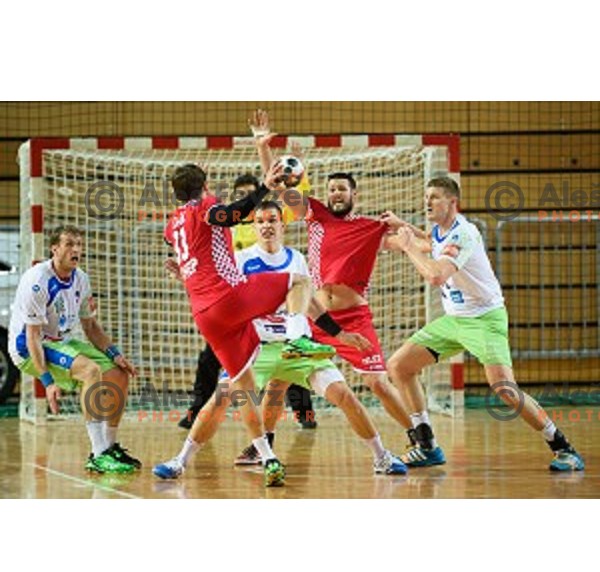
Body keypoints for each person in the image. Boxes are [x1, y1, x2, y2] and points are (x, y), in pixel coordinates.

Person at [153, 200, 407, 478]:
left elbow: (310, 303)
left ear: (282, 224)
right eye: (260, 221)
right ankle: (180, 461)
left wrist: (341, 334)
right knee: (220, 400)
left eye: (272, 220)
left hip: (297, 349)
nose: (266, 226)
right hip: (257, 348)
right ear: (253, 226)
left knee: (344, 395)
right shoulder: (238, 259)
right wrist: (187, 280)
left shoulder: (297, 258)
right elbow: (214, 293)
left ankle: (381, 456)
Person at [383, 176, 584, 471]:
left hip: (484, 320)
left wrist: (408, 247)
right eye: (426, 196)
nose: (427, 201)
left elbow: (436, 274)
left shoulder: (464, 233)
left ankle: (563, 447)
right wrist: (405, 229)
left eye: (435, 197)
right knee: (399, 366)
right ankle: (427, 446)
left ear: (453, 202)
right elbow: (431, 242)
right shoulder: (441, 231)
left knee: (505, 389)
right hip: (454, 320)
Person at [157, 162, 334, 487]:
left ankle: (193, 461)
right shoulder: (203, 206)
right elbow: (233, 215)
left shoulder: (173, 222)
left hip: (204, 314)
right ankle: (297, 337)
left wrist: (184, 268)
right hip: (229, 298)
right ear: (205, 186)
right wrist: (264, 187)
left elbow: (184, 249)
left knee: (239, 391)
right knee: (298, 280)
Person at [250, 110, 416, 446]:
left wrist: (413, 232)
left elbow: (411, 244)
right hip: (315, 317)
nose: (336, 193)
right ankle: (262, 446)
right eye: (331, 189)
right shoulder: (315, 214)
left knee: (378, 383)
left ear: (354, 194)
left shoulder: (370, 227)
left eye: (342, 189)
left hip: (352, 317)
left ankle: (420, 437)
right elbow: (277, 184)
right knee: (279, 380)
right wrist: (262, 145)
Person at [177, 173, 316, 430]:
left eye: (271, 221)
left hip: (264, 295)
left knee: (293, 347)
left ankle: (302, 414)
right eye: (240, 195)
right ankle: (196, 414)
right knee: (218, 366)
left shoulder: (277, 227)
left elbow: (295, 201)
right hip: (240, 295)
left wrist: (286, 171)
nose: (266, 225)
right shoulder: (232, 222)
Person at [8, 225, 140, 474]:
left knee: (119, 375)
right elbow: (33, 335)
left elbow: (90, 327)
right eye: (69, 244)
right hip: (27, 348)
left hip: (61, 341)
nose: (76, 249)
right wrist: (47, 382)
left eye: (79, 244)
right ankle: (98, 454)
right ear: (54, 248)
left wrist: (116, 355)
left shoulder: (82, 279)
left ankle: (109, 447)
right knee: (90, 371)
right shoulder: (38, 280)